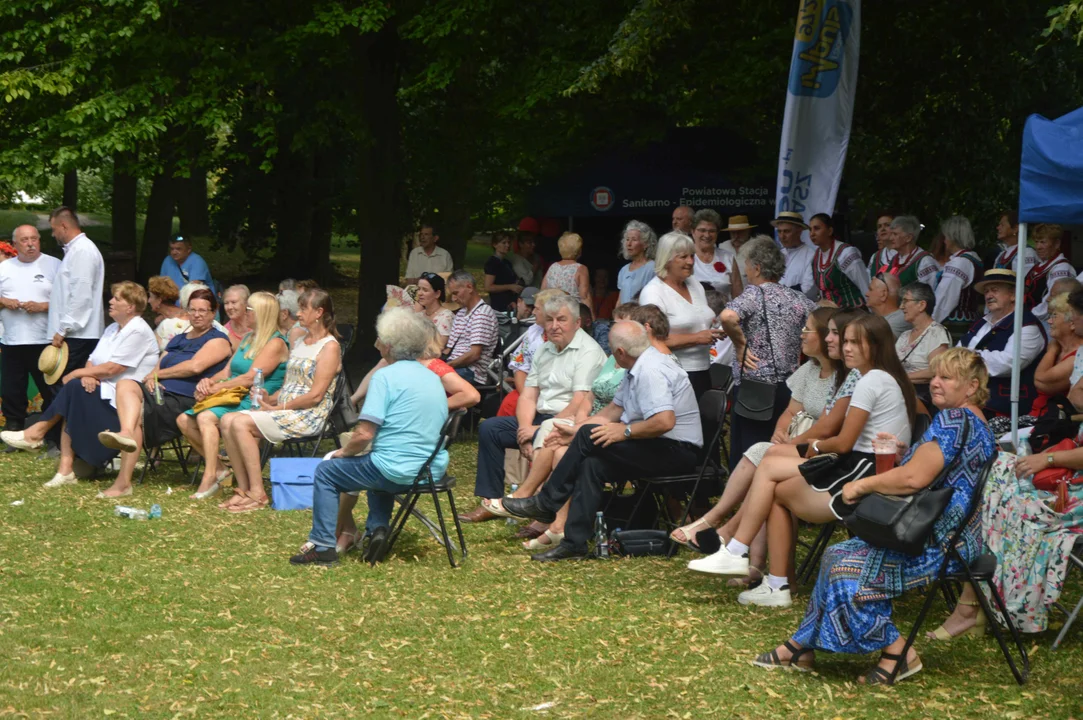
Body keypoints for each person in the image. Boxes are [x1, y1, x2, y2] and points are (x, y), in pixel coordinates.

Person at [750, 348, 994, 684]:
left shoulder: (954, 421)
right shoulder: (976, 422)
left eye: (946, 378)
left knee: (849, 572)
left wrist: (861, 485)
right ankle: (801, 646)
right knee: (837, 553)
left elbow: (914, 479)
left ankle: (898, 651)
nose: (935, 383)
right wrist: (907, 453)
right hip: (949, 537)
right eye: (934, 375)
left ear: (972, 386)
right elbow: (938, 471)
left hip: (937, 543)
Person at [693, 314, 916, 609]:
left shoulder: (871, 379)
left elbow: (844, 442)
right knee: (774, 483)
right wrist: (815, 445)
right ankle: (775, 582)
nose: (847, 348)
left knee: (771, 467)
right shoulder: (873, 376)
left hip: (863, 472)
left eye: (854, 342)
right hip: (856, 463)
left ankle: (739, 551)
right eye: (845, 341)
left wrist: (813, 446)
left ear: (875, 345)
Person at [500, 320, 703, 561]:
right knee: (591, 465)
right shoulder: (637, 365)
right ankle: (574, 543)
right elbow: (611, 412)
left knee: (589, 438)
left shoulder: (651, 370)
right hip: (656, 444)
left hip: (677, 451)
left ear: (620, 352)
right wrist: (575, 431)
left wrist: (624, 432)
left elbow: (664, 422)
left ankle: (546, 502)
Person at [671, 307, 842, 567]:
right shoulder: (810, 369)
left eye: (807, 329)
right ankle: (744, 555)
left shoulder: (845, 379)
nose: (801, 334)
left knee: (765, 462)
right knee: (763, 452)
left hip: (821, 454)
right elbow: (790, 411)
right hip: (794, 447)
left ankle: (723, 531)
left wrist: (792, 443)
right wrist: (779, 432)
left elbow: (829, 429)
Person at [288, 309, 449, 566]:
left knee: (327, 471)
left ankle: (322, 545)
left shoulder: (385, 377)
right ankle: (377, 528)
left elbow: (364, 434)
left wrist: (344, 452)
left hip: (395, 469)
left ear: (389, 344)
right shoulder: (433, 377)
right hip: (430, 468)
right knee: (376, 467)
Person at [333, 318, 481, 553]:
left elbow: (472, 395)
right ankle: (371, 529)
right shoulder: (390, 362)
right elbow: (368, 384)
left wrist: (433, 407)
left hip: (422, 441)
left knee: (354, 462)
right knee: (373, 460)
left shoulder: (432, 367)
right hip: (395, 443)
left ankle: (351, 531)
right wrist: (353, 402)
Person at [460, 295, 606, 523]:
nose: (554, 326)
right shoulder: (545, 348)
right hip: (539, 417)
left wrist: (536, 429)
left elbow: (579, 402)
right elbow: (528, 395)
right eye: (549, 320)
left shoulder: (588, 352)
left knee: (546, 431)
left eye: (561, 319)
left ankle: (535, 510)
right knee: (491, 429)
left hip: (567, 421)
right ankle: (492, 501)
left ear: (577, 323)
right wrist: (526, 429)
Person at [0, 282, 159, 489]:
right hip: (104, 391)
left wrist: (78, 373)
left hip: (125, 403)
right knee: (76, 389)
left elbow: (113, 369)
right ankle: (59, 461)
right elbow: (93, 359)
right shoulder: (112, 328)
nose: (110, 301)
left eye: (117, 299)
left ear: (130, 307)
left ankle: (40, 436)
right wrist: (88, 375)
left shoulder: (138, 330)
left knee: (74, 387)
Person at [96, 287, 232, 498]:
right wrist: (152, 377)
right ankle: (125, 434)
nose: (196, 315)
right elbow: (158, 366)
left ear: (213, 313)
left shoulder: (218, 340)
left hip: (188, 400)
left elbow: (194, 367)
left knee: (138, 417)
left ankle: (123, 482)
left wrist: (158, 376)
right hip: (162, 395)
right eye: (193, 310)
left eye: (203, 310)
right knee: (125, 384)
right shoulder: (179, 338)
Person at [219, 289, 341, 513]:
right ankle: (244, 489)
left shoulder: (330, 347)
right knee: (227, 420)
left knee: (239, 423)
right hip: (286, 408)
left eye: (304, 308)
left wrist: (281, 406)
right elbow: (290, 385)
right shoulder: (302, 341)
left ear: (319, 312)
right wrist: (270, 398)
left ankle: (258, 493)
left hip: (309, 414)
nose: (298, 312)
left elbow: (316, 395)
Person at [176, 291, 290, 499]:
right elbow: (227, 371)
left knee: (205, 417)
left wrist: (217, 388)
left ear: (261, 313)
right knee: (184, 420)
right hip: (232, 393)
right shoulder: (248, 338)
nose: (245, 312)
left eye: (249, 309)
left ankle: (210, 475)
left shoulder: (275, 343)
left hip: (253, 398)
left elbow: (249, 378)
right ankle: (219, 469)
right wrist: (209, 381)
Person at [720, 236, 817, 467]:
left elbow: (727, 316)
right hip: (790, 387)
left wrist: (741, 345)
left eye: (746, 264)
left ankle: (747, 498)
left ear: (757, 267)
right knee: (778, 447)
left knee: (751, 452)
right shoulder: (797, 298)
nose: (744, 270)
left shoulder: (754, 293)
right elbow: (822, 320)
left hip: (756, 388)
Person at [986, 291, 1081, 437]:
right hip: (1035, 416)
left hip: (1051, 423)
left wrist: (1051, 350)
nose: (1049, 321)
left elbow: (1041, 381)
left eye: (1054, 316)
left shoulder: (1076, 355)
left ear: (1072, 323)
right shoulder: (1059, 350)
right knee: (992, 426)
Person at [639, 232, 718, 397]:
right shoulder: (653, 292)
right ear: (667, 259)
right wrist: (697, 338)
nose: (690, 261)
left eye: (692, 256)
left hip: (703, 369)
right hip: (673, 375)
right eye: (683, 257)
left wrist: (712, 329)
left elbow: (698, 320)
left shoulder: (694, 284)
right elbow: (652, 340)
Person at [959, 269, 1047, 417]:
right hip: (972, 400)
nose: (989, 295)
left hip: (1004, 408)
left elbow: (1008, 363)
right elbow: (958, 350)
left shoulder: (1027, 326)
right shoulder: (982, 322)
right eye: (986, 291)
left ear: (1013, 295)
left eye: (994, 290)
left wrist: (967, 357)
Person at [0, 224, 61, 431]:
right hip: (12, 339)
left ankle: (52, 431)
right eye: (24, 240)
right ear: (15, 244)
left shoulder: (54, 265)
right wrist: (4, 302)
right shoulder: (4, 268)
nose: (30, 244)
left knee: (49, 388)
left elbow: (69, 302)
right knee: (12, 389)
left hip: (44, 340)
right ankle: (13, 429)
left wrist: (43, 306)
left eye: (34, 239)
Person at [46, 206, 105, 386]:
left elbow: (81, 295)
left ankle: (64, 416)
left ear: (63, 226)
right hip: (76, 333)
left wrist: (64, 328)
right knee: (65, 385)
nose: (52, 234)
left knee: (65, 383)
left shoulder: (82, 251)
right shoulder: (76, 250)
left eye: (53, 229)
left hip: (79, 334)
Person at [895, 282, 952, 399]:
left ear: (921, 305)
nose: (901, 306)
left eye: (906, 301)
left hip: (922, 395)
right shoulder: (904, 336)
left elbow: (936, 370)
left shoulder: (937, 333)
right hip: (900, 390)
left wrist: (900, 377)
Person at [444, 269, 499, 387]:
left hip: (472, 372)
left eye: (455, 293)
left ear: (469, 287)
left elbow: (474, 355)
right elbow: (449, 349)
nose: (453, 299)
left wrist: (447, 366)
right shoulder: (461, 312)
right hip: (456, 367)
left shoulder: (482, 313)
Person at [808, 212, 869, 309]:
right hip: (830, 314)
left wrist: (872, 314)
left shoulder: (846, 253)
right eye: (810, 229)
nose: (812, 233)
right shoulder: (815, 257)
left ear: (830, 231)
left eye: (817, 228)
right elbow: (813, 290)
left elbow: (864, 284)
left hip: (854, 312)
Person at [932, 215, 984, 325]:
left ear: (953, 237)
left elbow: (945, 297)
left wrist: (930, 324)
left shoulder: (959, 263)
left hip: (955, 324)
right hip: (970, 320)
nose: (944, 241)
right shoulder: (974, 259)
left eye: (946, 237)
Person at [1025, 223, 1075, 325]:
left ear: (1057, 244)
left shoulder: (1062, 267)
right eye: (1036, 242)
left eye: (1043, 242)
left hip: (1046, 323)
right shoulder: (1039, 265)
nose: (1038, 247)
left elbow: (1053, 301)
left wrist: (1027, 317)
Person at [690, 209, 743, 301]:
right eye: (702, 230)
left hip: (724, 313)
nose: (707, 235)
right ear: (693, 231)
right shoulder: (685, 257)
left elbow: (738, 297)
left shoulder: (728, 257)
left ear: (717, 233)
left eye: (712, 231)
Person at [886, 215, 939, 290]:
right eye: (891, 234)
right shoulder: (895, 259)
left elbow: (930, 293)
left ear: (908, 238)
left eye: (895, 234)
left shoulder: (925, 261)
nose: (890, 238)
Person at [771, 212, 816, 299]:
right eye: (779, 231)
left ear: (799, 232)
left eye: (787, 231)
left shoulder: (811, 256)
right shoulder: (777, 254)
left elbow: (808, 289)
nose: (782, 236)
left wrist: (780, 295)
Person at [542, 232, 592, 305]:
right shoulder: (581, 269)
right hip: (570, 313)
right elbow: (585, 297)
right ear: (578, 250)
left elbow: (543, 292)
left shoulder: (552, 267)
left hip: (552, 312)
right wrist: (591, 315)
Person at [617, 220, 657, 304]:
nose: (629, 243)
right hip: (625, 316)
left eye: (634, 240)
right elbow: (620, 300)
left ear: (645, 244)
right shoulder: (624, 270)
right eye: (627, 239)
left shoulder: (652, 267)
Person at [483, 231, 523, 312]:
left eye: (508, 242)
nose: (507, 245)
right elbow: (488, 287)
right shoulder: (492, 263)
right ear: (495, 245)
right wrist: (510, 286)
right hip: (498, 305)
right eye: (504, 243)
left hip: (510, 304)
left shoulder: (507, 262)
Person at [414, 272, 456, 350]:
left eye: (425, 290)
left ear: (437, 294)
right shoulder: (419, 315)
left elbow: (438, 348)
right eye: (418, 289)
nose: (419, 293)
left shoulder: (446, 317)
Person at [865, 272, 911, 338]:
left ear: (883, 294)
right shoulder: (874, 319)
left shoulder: (900, 319)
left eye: (870, 290)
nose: (866, 294)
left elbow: (881, 345)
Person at [720, 215, 757, 285]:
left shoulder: (757, 247)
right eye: (733, 232)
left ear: (748, 231)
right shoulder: (722, 247)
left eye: (740, 232)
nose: (736, 236)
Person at [511, 218, 544, 288]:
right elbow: (527, 281)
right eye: (529, 243)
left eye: (533, 242)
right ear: (521, 244)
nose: (533, 245)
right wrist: (534, 268)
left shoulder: (535, 256)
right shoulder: (517, 261)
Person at [221, 284, 252, 351]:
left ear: (246, 303)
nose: (229, 307)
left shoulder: (257, 326)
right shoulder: (224, 331)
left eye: (234, 302)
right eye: (226, 303)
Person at [867, 212, 897, 276]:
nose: (882, 229)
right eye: (879, 226)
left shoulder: (908, 253)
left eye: (887, 225)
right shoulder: (875, 257)